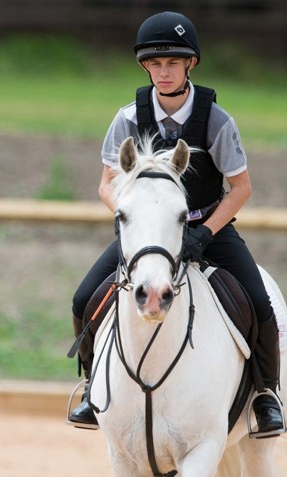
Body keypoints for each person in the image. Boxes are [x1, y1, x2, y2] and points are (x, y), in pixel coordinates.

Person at [68, 11, 284, 436]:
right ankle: (95, 387)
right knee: (82, 300)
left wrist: (203, 234)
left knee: (261, 305)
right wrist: (131, 218)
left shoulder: (217, 121)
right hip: (148, 235)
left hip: (208, 229)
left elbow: (241, 188)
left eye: (172, 63)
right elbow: (106, 183)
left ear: (191, 65)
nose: (162, 72)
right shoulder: (127, 118)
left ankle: (265, 395)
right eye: (154, 64)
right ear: (144, 67)